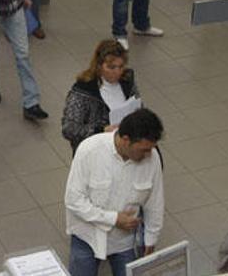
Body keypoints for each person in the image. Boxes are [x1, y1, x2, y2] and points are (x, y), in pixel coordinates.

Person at [64, 108, 164, 275]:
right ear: (126, 140)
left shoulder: (152, 159)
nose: (149, 155)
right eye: (144, 150)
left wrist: (151, 239)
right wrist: (114, 219)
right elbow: (74, 200)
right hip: (87, 236)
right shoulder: (89, 150)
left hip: (123, 242)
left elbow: (155, 202)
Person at [62, 40, 139, 155]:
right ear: (99, 65)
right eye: (111, 67)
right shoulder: (83, 90)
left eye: (121, 66)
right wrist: (101, 130)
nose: (117, 72)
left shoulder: (127, 80)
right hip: (95, 153)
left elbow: (138, 108)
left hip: (124, 149)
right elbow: (69, 129)